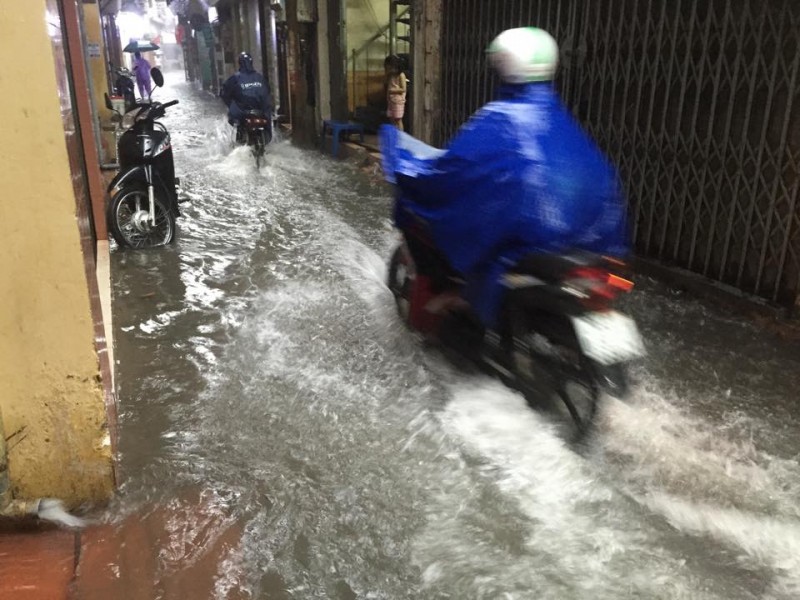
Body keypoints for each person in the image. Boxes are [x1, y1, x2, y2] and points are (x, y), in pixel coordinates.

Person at [380, 27, 628, 328]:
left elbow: (456, 171)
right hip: (582, 240)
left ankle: (460, 298)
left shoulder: (499, 118)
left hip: (527, 240)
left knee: (451, 228)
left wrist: (413, 173)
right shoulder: (561, 121)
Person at [221, 52, 272, 138]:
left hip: (244, 112)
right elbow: (268, 91)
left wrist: (231, 104)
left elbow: (224, 94)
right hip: (260, 112)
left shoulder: (235, 78)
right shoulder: (260, 77)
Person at [384, 55, 407, 130]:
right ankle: (395, 136)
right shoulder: (391, 75)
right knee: (392, 119)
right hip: (391, 100)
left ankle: (401, 137)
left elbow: (403, 89)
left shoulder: (401, 75)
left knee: (398, 119)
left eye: (390, 67)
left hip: (398, 101)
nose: (388, 69)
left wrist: (393, 90)